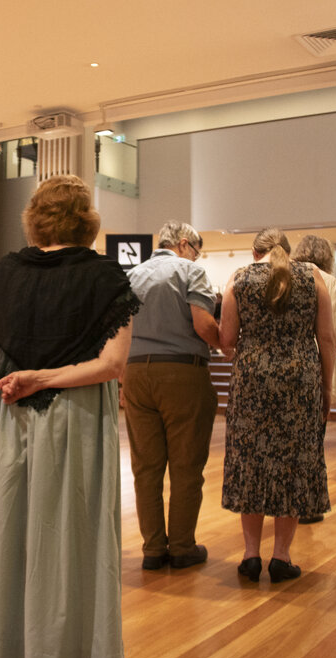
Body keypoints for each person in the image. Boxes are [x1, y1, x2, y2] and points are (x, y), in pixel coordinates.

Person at [0, 174, 139, 658]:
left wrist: (19, 379)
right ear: (87, 219)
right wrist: (45, 378)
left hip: (9, 415)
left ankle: (9, 652)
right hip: (76, 416)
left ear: (35, 217)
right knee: (71, 541)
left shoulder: (3, 273)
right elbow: (111, 366)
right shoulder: (107, 277)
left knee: (9, 535)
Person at [219, 228, 335, 583]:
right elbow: (327, 338)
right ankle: (281, 556)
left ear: (256, 254)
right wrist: (326, 388)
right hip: (301, 381)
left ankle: (251, 555)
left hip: (251, 380)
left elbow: (226, 341)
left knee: (250, 461)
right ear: (287, 251)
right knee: (295, 463)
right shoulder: (314, 277)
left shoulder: (238, 280)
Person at [123, 220, 218, 570]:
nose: (197, 255)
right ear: (183, 243)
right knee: (186, 466)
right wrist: (228, 343)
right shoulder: (190, 270)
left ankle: (152, 549)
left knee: (146, 468)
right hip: (181, 372)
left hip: (135, 372)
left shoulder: (131, 276)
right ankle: (180, 546)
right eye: (197, 248)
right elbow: (203, 324)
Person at [291, 234, 336, 524]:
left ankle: (283, 502)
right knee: (313, 439)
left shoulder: (285, 275)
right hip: (316, 361)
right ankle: (308, 505)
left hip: (285, 360)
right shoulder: (327, 280)